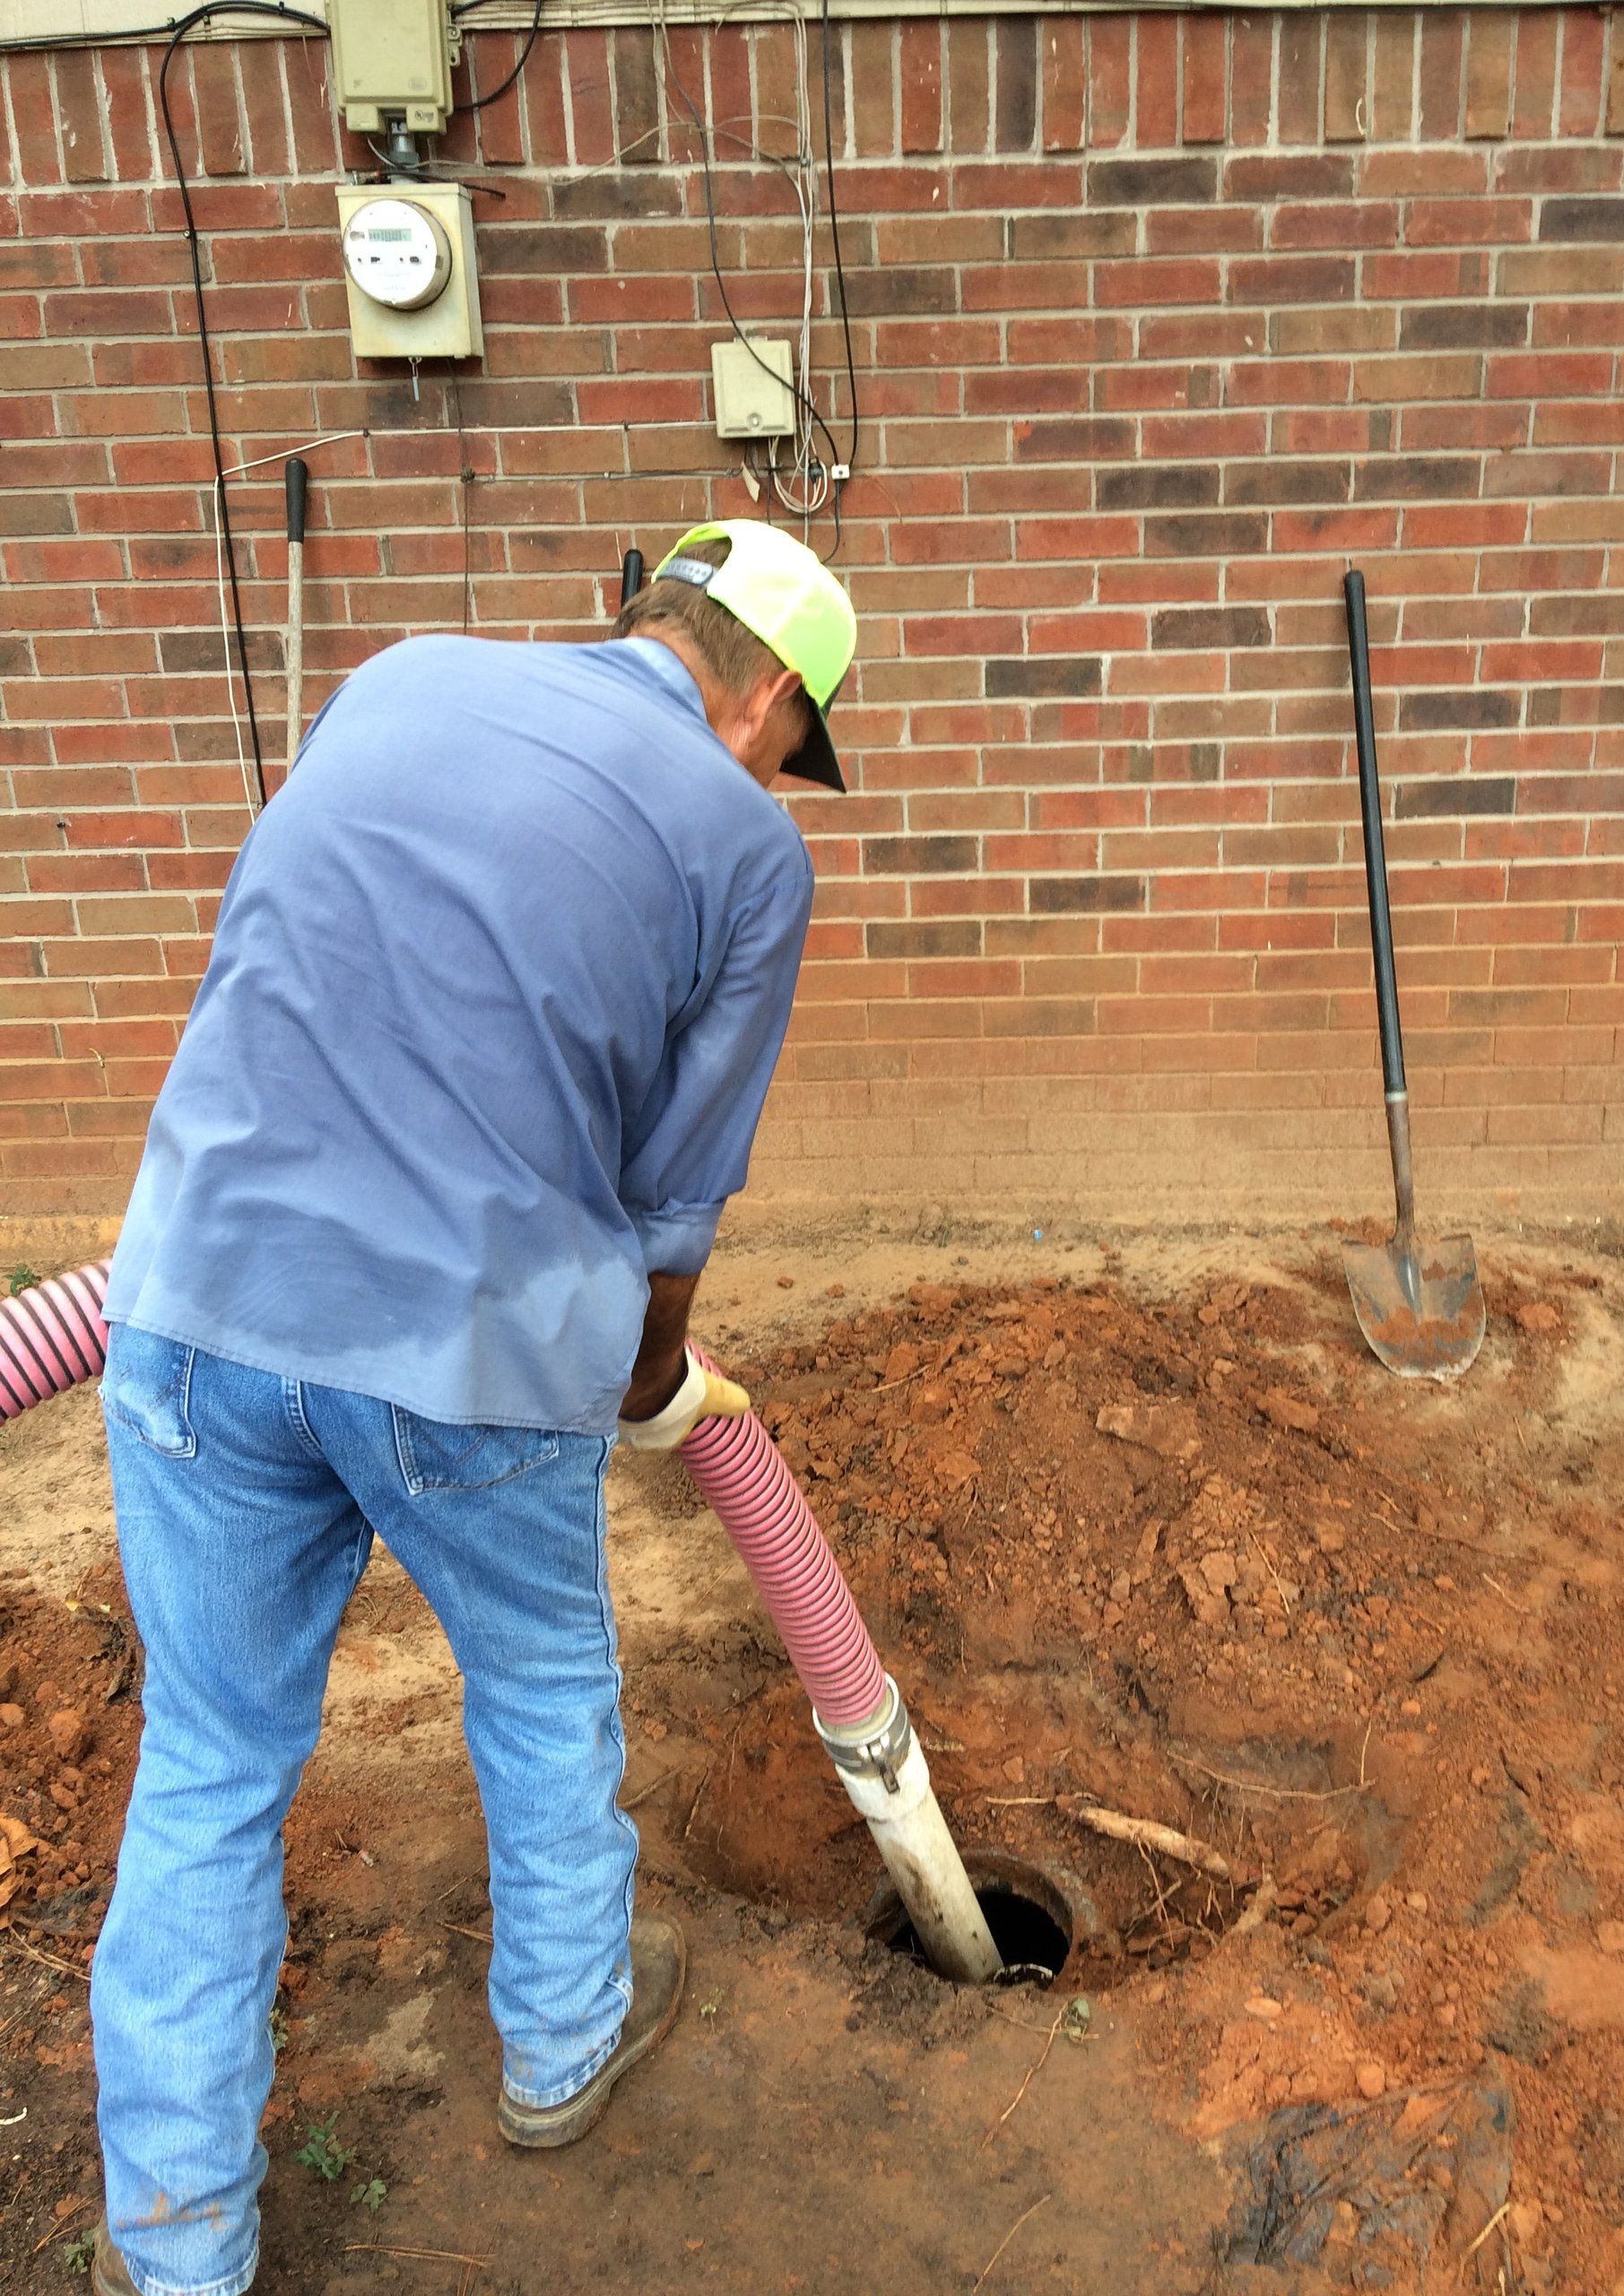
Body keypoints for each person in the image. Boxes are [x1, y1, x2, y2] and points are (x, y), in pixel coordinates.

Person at [88, 520, 856, 2296]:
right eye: (796, 742)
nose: (783, 772)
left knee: (208, 1757)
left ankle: (174, 2237)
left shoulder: (402, 676)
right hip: (467, 1336)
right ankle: (564, 2041)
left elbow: (282, 965)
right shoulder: (748, 846)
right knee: (537, 1670)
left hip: (192, 1290)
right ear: (768, 700)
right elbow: (679, 1188)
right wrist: (658, 1383)